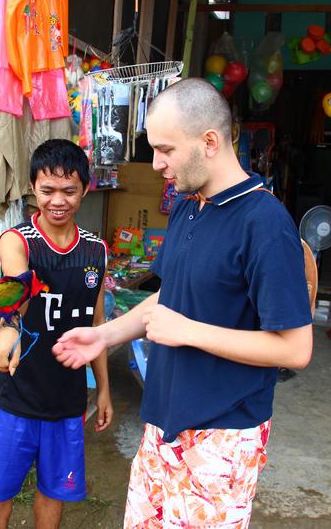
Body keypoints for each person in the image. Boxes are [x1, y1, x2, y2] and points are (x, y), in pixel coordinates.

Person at [52, 78, 313, 528]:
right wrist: (104, 335)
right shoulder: (188, 207)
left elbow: (295, 349)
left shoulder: (264, 223)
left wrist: (187, 330)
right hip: (163, 420)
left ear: (209, 141)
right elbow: (171, 297)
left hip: (222, 436)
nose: (156, 164)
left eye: (166, 150)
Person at [0, 139, 113, 529]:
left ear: (85, 189)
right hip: (17, 398)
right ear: (33, 188)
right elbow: (17, 284)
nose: (58, 200)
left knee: (54, 492)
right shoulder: (17, 240)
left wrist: (102, 388)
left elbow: (97, 325)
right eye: (47, 190)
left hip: (67, 402)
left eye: (69, 190)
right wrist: (9, 326)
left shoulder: (96, 252)